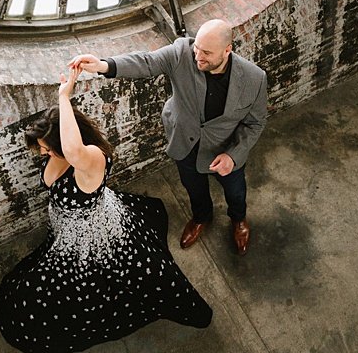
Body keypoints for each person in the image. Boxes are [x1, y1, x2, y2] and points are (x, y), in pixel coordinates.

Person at [0, 66, 212, 353]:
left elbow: (73, 152)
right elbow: (61, 156)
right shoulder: (62, 153)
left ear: (66, 143)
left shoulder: (92, 159)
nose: (44, 155)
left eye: (49, 150)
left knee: (103, 283)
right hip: (67, 228)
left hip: (93, 234)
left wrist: (64, 96)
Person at [70, 18, 267, 256]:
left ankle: (238, 220)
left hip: (225, 148)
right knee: (194, 188)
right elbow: (147, 62)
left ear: (227, 50)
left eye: (206, 53)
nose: (198, 57)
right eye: (197, 49)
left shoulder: (254, 78)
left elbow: (255, 123)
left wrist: (233, 157)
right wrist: (104, 65)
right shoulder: (182, 52)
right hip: (184, 141)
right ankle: (201, 217)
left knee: (235, 191)